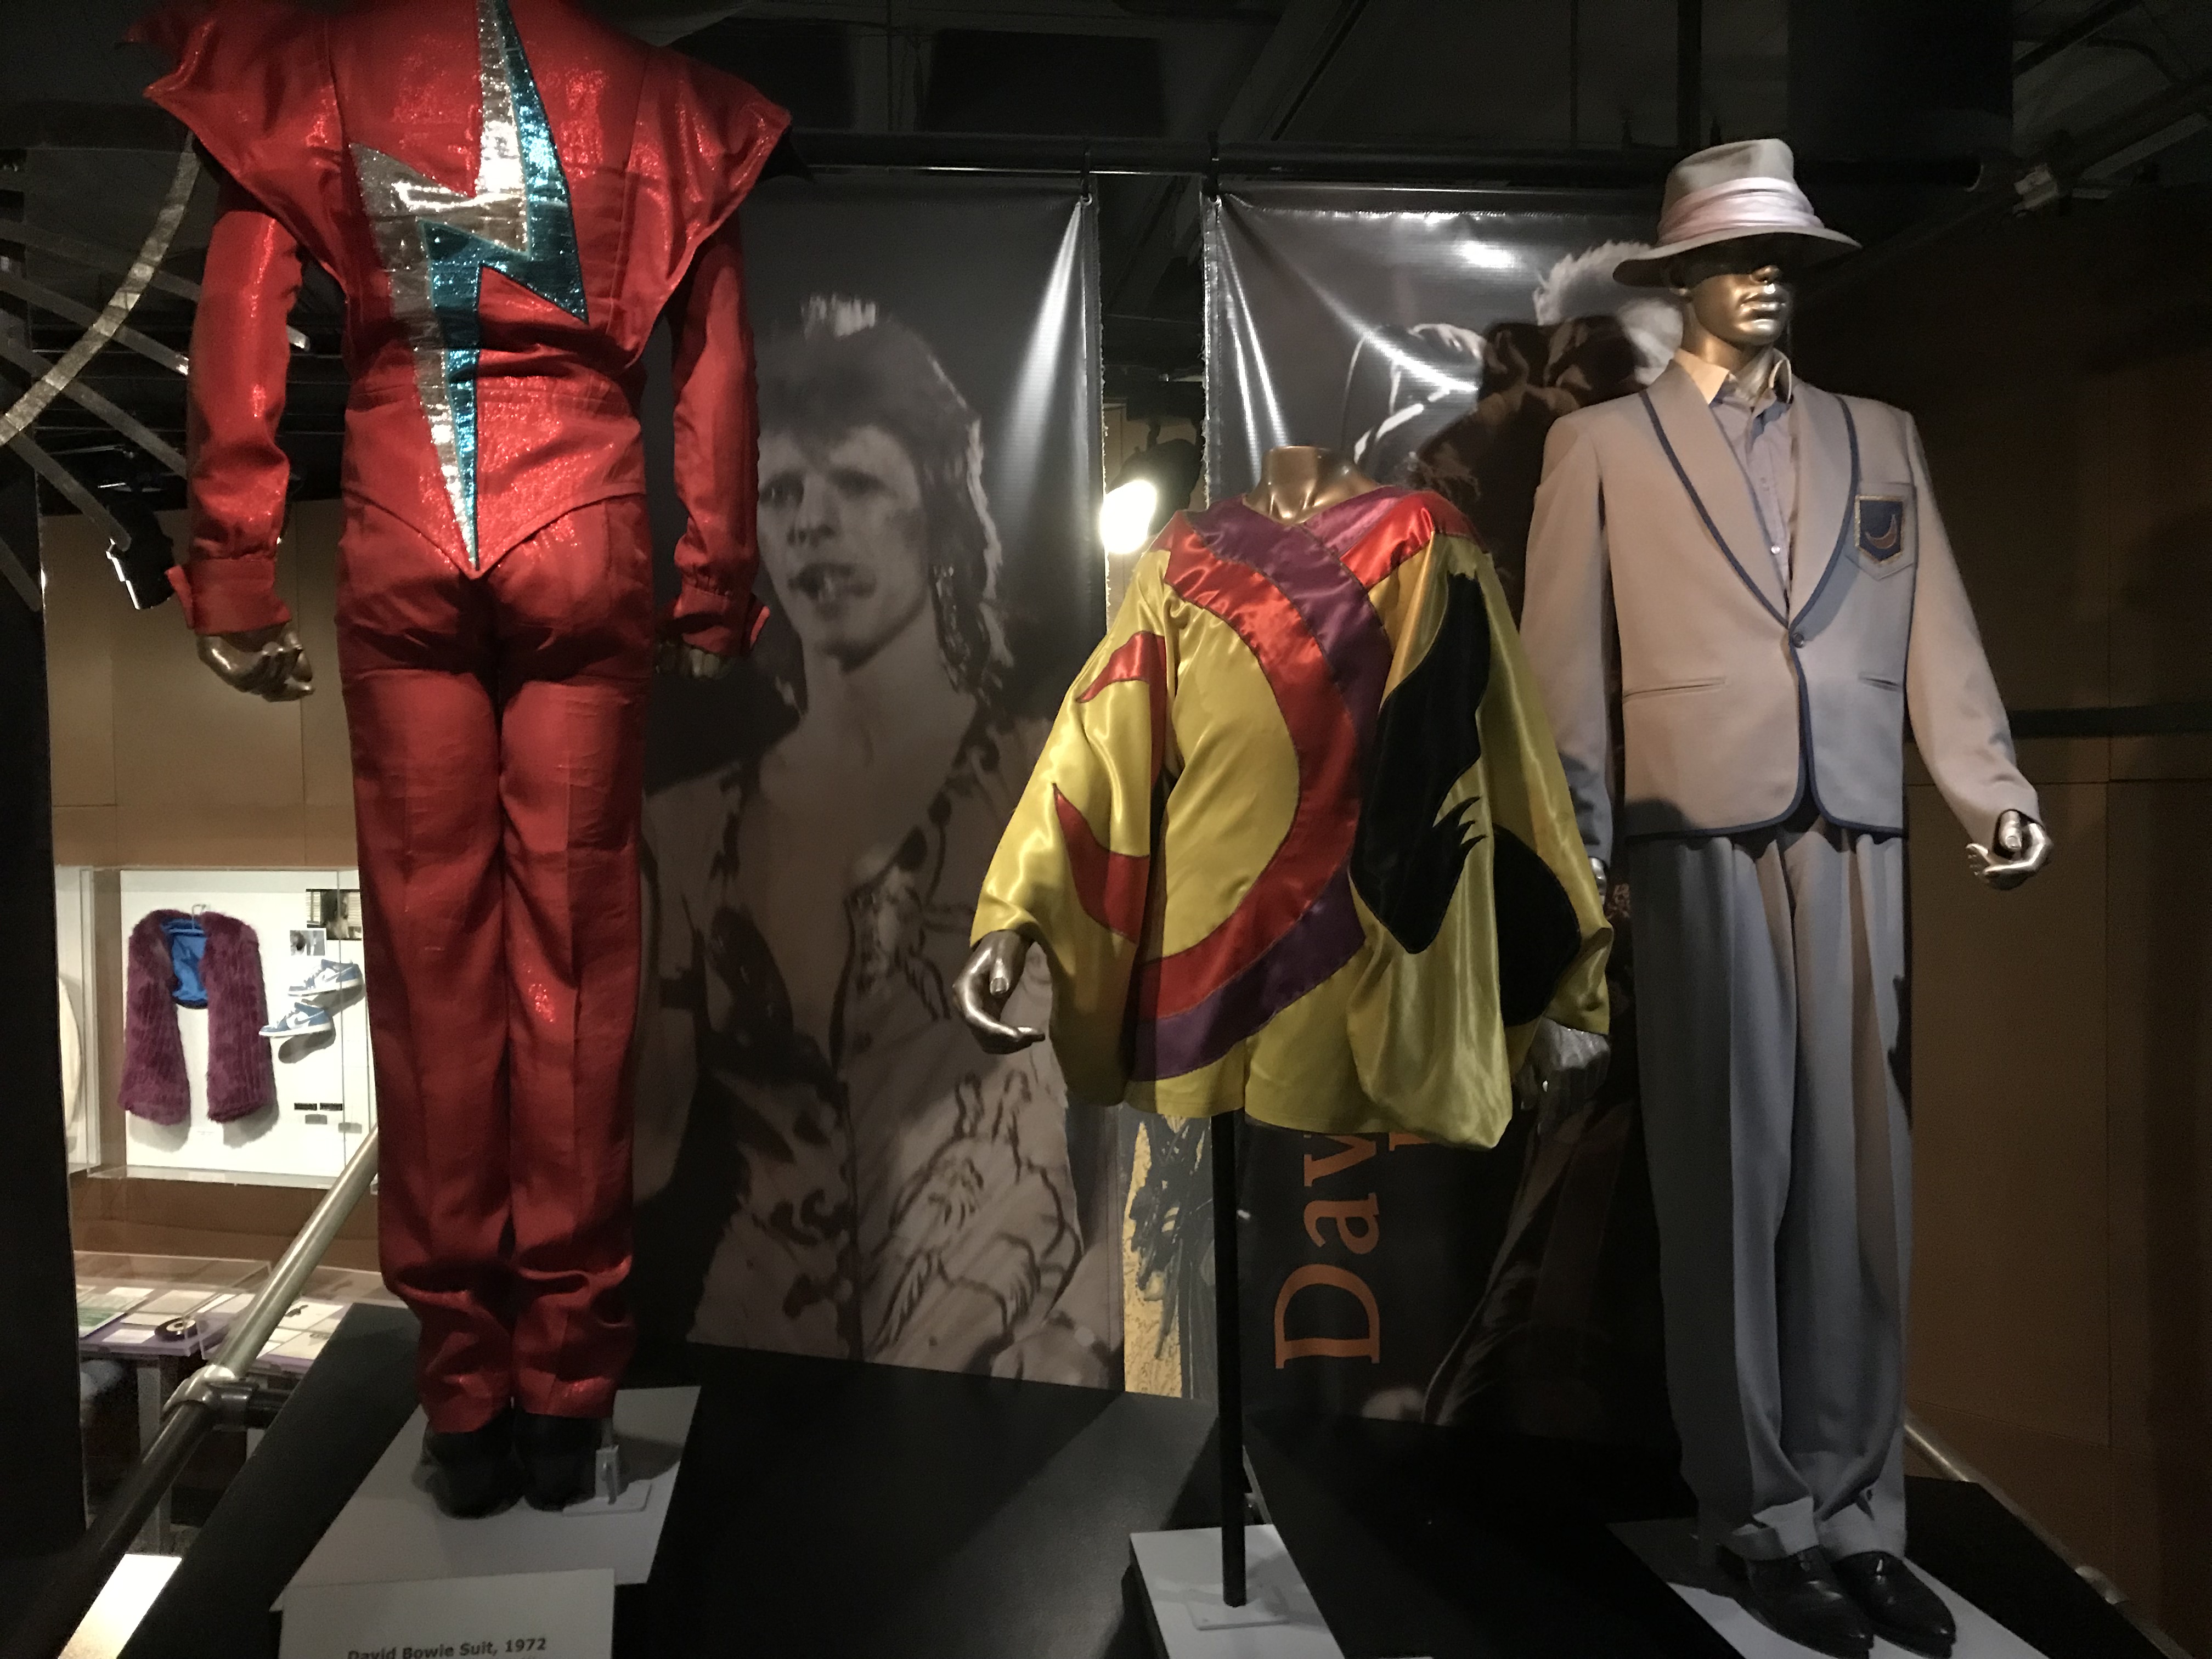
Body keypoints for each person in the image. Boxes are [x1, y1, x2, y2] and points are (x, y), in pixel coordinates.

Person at [135, 0, 786, 1517]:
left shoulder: (318, 65)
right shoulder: (675, 106)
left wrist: (232, 571)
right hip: (586, 520)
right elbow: (718, 362)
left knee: (429, 958)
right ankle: (569, 1391)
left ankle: (464, 1399)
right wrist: (714, 583)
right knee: (579, 960)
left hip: (401, 508)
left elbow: (240, 317)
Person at [1520, 140, 2050, 1659]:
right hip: (1695, 841)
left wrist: (1992, 791)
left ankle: (1863, 1515)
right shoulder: (1602, 449)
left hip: (1859, 837)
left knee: (1863, 1192)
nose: (1764, 279)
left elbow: (1937, 629)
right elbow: (1565, 680)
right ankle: (1760, 1519)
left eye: (1784, 257)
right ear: (1681, 279)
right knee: (1729, 1184)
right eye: (1734, 257)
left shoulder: (1880, 435)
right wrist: (1575, 871)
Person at [635, 298, 1116, 1386]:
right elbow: (646, 1148)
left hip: (1000, 1363)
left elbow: (1154, 1075)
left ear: (938, 512)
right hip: (755, 1368)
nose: (813, 522)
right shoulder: (688, 824)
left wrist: (1091, 1320)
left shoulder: (1058, 771)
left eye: (856, 484)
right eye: (780, 495)